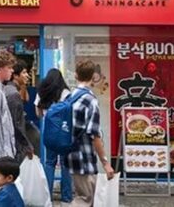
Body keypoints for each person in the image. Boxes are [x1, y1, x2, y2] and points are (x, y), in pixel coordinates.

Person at [67, 60, 115, 207]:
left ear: (76, 75)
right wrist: (105, 163)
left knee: (81, 196)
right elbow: (94, 135)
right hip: (84, 156)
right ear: (94, 77)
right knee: (85, 199)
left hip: (70, 153)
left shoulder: (70, 96)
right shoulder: (90, 100)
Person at [35, 68, 72, 205]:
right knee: (65, 164)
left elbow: (38, 114)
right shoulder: (66, 93)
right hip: (64, 131)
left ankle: (47, 197)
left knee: (50, 163)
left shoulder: (41, 92)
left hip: (48, 131)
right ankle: (66, 197)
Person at [4, 60, 34, 162]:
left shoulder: (8, 90)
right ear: (15, 76)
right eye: (24, 72)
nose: (27, 76)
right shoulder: (13, 94)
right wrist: (27, 145)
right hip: (15, 145)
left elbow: (26, 99)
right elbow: (16, 124)